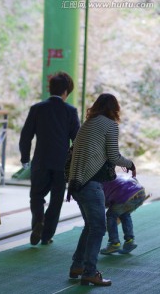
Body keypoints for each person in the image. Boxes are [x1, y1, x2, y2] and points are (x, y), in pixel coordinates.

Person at [67, 93, 136, 287]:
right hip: (91, 183)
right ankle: (89, 272)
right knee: (98, 227)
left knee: (90, 226)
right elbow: (113, 155)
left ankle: (77, 266)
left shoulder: (87, 124)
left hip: (76, 183)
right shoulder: (110, 125)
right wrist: (130, 164)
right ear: (114, 109)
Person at [19, 71, 80, 246]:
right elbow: (77, 139)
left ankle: (39, 220)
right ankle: (46, 236)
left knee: (36, 196)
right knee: (56, 200)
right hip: (62, 163)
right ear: (66, 91)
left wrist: (25, 158)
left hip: (40, 162)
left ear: (50, 89)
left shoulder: (37, 108)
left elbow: (26, 136)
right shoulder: (70, 111)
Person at [100, 175, 150, 255]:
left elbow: (103, 203)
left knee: (111, 215)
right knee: (124, 214)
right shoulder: (110, 177)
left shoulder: (98, 187)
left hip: (125, 195)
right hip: (140, 192)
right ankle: (130, 241)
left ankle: (114, 243)